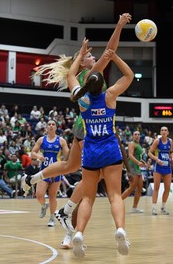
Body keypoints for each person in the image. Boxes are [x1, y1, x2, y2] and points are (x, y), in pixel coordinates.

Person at [26, 13, 132, 249]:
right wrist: (119, 26)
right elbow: (110, 49)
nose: (94, 56)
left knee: (72, 167)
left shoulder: (82, 82)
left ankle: (37, 180)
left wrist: (82, 55)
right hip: (90, 128)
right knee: (97, 178)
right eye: (89, 56)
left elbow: (74, 72)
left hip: (83, 124)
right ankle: (68, 212)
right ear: (84, 62)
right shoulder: (91, 75)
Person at [68, 42, 133, 258]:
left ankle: (78, 233)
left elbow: (70, 74)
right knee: (115, 196)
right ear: (103, 83)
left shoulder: (83, 100)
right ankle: (120, 230)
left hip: (91, 153)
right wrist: (114, 57)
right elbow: (130, 76)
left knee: (87, 198)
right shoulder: (110, 96)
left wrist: (80, 54)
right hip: (111, 151)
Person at [30, 119, 69, 227]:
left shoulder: (61, 141)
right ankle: (43, 206)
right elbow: (32, 153)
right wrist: (38, 156)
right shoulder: (41, 140)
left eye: (53, 124)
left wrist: (63, 164)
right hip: (44, 171)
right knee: (39, 195)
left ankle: (52, 218)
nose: (51, 126)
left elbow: (68, 155)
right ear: (46, 127)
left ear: (56, 127)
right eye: (49, 124)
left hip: (56, 172)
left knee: (52, 196)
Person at [147, 126, 173, 216]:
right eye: (162, 130)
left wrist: (172, 158)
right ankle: (154, 208)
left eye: (165, 130)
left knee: (167, 188)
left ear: (168, 132)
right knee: (156, 187)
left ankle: (163, 207)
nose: (163, 131)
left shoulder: (170, 141)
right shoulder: (157, 141)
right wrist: (157, 159)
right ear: (160, 132)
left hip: (167, 167)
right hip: (158, 167)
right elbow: (149, 153)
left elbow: (171, 152)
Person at [121, 131, 146, 213]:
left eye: (138, 134)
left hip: (137, 167)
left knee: (139, 188)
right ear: (132, 136)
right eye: (135, 134)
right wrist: (138, 162)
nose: (137, 135)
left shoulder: (139, 145)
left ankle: (134, 208)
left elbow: (138, 156)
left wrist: (142, 161)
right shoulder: (132, 144)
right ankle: (117, 203)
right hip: (132, 167)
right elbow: (130, 156)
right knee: (131, 188)